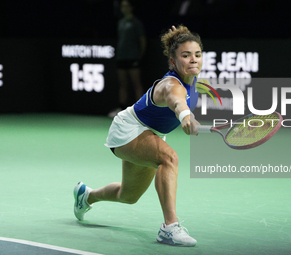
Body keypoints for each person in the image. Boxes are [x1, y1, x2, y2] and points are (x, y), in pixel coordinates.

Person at [74, 25, 203, 247]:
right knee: (169, 158)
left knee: (128, 195)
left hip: (151, 134)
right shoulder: (171, 84)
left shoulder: (194, 84)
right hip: (130, 128)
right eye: (185, 55)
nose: (193, 60)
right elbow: (176, 100)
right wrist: (185, 115)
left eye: (197, 54)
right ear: (173, 62)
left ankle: (86, 195)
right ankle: (169, 228)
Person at [108, 0, 147, 117]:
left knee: (137, 84)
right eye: (122, 6)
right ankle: (121, 108)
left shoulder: (136, 23)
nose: (124, 8)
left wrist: (139, 56)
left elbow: (142, 41)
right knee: (123, 85)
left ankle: (141, 110)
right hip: (121, 58)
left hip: (133, 58)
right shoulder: (120, 23)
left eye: (126, 6)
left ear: (131, 8)